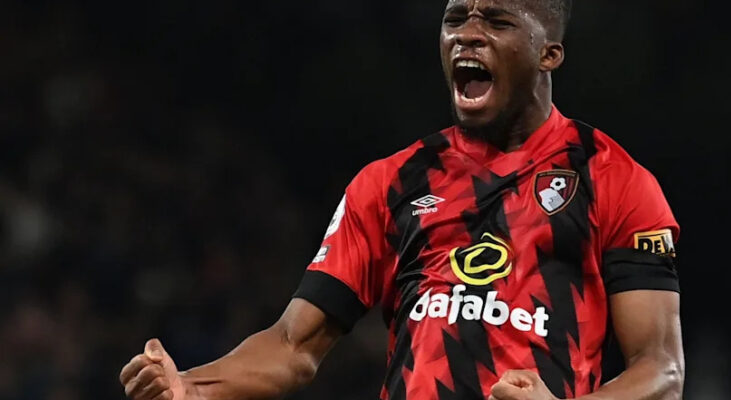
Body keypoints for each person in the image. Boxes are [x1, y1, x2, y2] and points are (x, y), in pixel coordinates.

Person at [119, 0, 684, 399]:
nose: (467, 34)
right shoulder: (390, 183)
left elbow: (661, 371)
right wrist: (191, 388)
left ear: (548, 54)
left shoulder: (613, 179)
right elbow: (293, 346)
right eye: (455, 18)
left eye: (497, 20)